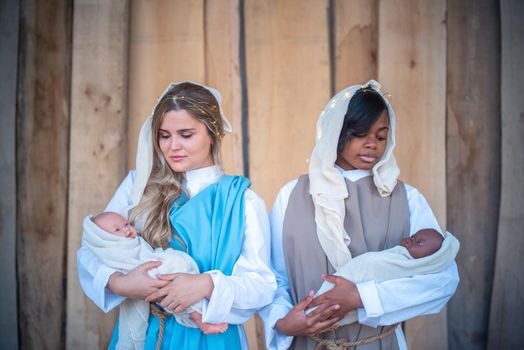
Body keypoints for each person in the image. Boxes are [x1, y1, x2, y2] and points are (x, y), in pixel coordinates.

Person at [259, 80, 460, 350]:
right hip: (306, 343)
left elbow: (442, 280)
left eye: (380, 136)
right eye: (360, 133)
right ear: (335, 131)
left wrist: (363, 297)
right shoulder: (292, 195)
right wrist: (282, 322)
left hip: (379, 343)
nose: (372, 145)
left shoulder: (407, 199)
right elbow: (274, 276)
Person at [76, 81, 276, 350]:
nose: (173, 147)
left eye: (186, 134)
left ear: (212, 133)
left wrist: (205, 285)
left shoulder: (243, 201)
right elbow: (94, 247)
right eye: (164, 135)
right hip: (142, 335)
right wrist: (122, 283)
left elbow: (261, 285)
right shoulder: (138, 186)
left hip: (211, 338)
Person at [84, 211, 228, 350]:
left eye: (126, 224)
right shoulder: (112, 251)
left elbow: (145, 252)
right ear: (104, 239)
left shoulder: (135, 240)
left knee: (176, 275)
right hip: (147, 276)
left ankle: (198, 314)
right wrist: (119, 283)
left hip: (157, 266)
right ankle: (199, 318)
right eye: (117, 230)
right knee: (170, 283)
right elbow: (92, 257)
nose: (126, 230)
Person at [311, 229, 459, 327]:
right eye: (412, 237)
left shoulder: (413, 267)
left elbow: (443, 283)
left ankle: (313, 315)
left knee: (322, 309)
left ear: (430, 260)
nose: (409, 240)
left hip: (372, 337)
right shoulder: (398, 254)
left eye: (418, 242)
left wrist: (359, 296)